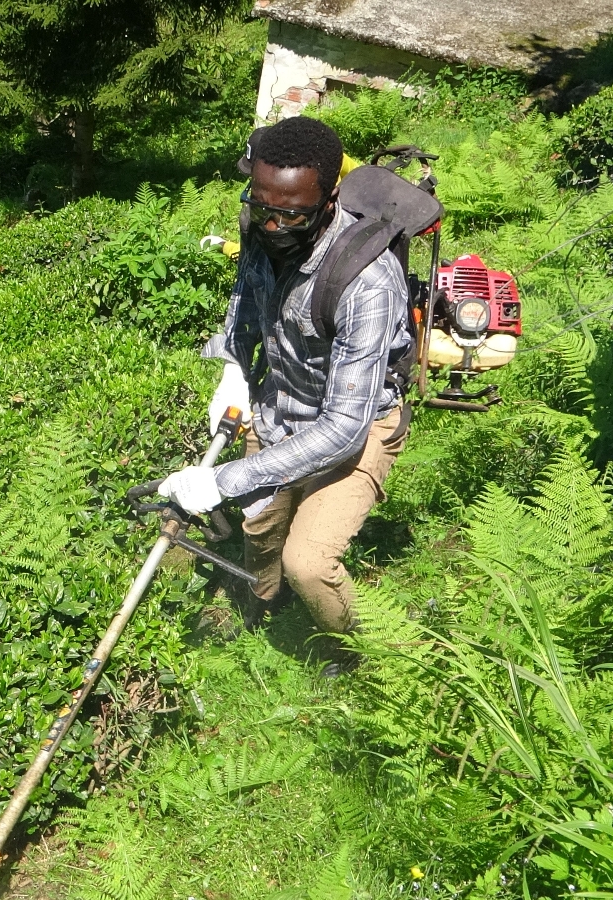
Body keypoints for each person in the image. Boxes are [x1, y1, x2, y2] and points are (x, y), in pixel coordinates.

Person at [158, 116, 412, 672]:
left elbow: (343, 428)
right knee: (261, 526)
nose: (274, 226)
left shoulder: (368, 281)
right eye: (262, 208)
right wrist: (233, 368)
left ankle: (358, 650)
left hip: (359, 424)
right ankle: (264, 601)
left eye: (292, 215)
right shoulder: (261, 226)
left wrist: (223, 480)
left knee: (309, 562)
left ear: (328, 200)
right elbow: (245, 304)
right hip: (282, 405)